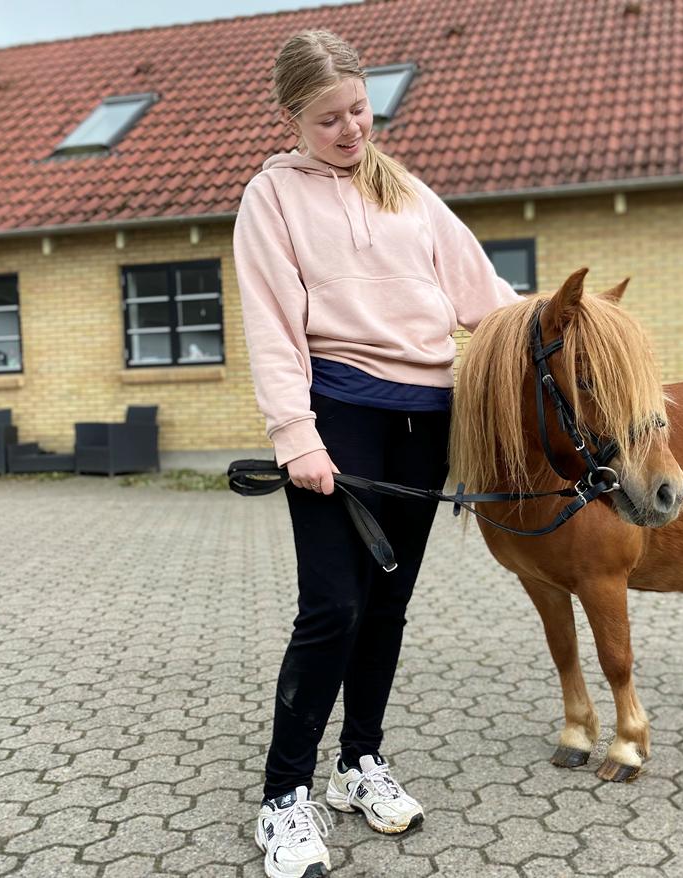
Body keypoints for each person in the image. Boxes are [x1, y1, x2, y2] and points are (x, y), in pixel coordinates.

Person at [232, 29, 520, 878]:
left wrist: (565, 325)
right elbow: (271, 326)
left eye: (359, 110)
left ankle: (359, 763)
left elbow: (488, 300)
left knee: (387, 607)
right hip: (340, 418)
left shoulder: (410, 193)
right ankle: (283, 797)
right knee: (333, 608)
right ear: (292, 119)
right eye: (329, 119)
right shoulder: (271, 198)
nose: (351, 129)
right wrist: (296, 435)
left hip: (427, 420)